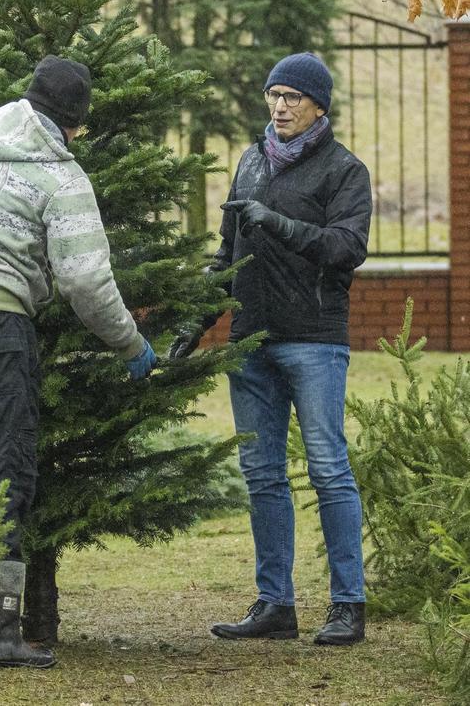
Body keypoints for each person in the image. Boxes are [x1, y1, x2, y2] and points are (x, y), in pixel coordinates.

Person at [0, 55, 157, 670]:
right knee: (1, 470)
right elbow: (85, 280)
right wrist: (129, 345)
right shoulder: (62, 179)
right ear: (77, 126)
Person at [170, 52, 371, 646]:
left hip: (314, 342)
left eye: (292, 98)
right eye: (273, 96)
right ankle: (275, 605)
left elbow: (346, 248)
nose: (280, 107)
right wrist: (196, 324)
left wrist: (278, 224)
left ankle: (347, 606)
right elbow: (227, 257)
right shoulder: (251, 163)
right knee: (261, 475)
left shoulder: (343, 171)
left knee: (329, 469)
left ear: (318, 107)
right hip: (251, 342)